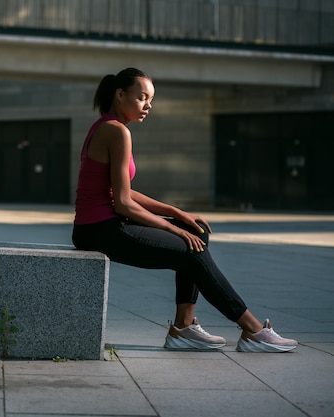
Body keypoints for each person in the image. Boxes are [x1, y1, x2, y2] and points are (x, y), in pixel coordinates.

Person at [72, 68, 297, 353]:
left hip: (101, 225)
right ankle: (253, 329)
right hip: (101, 230)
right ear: (120, 94)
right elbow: (123, 203)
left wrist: (178, 214)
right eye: (142, 98)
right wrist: (171, 227)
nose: (148, 106)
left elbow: (122, 191)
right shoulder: (117, 132)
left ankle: (184, 328)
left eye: (150, 100)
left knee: (195, 231)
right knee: (191, 249)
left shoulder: (109, 126)